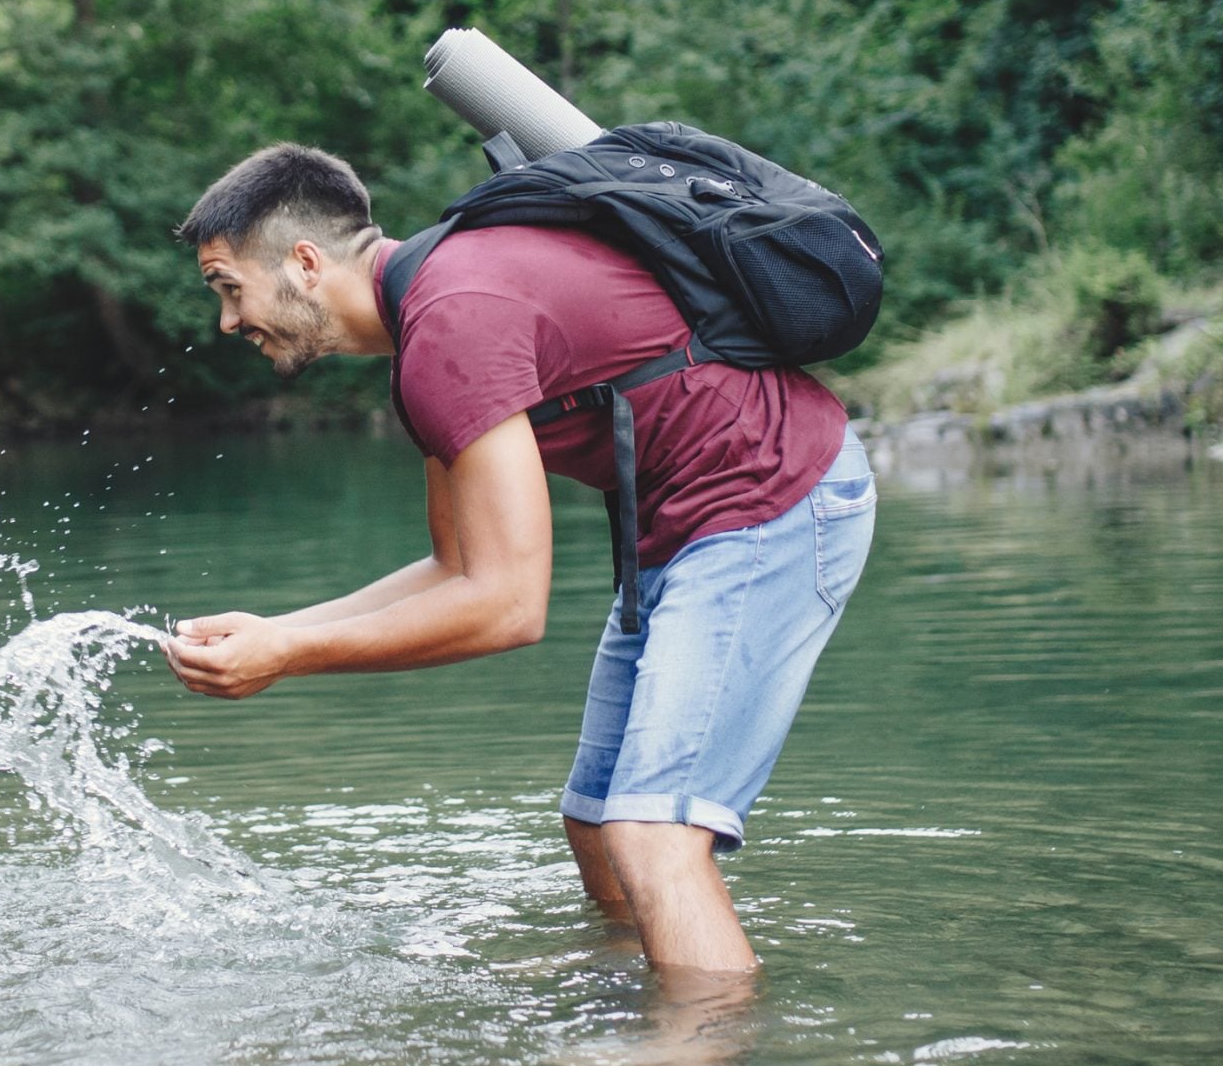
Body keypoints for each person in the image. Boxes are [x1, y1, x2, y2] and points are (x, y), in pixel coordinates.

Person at [163, 145, 874, 975]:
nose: (227, 322)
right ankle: (629, 984)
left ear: (306, 263)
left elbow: (507, 607)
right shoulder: (428, 325)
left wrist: (286, 656)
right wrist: (276, 631)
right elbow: (452, 566)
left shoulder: (453, 322)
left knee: (653, 833)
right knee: (598, 818)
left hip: (773, 500)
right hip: (683, 531)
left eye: (228, 288)